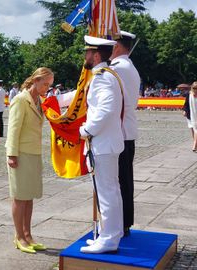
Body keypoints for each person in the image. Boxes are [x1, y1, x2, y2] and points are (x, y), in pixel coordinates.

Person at [78, 36, 124, 254]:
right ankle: (110, 234)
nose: (84, 56)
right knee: (110, 192)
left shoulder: (102, 78)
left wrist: (85, 130)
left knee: (107, 193)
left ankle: (109, 238)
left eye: (87, 52)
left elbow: (104, 110)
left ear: (95, 55)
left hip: (103, 144)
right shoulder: (106, 75)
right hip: (107, 143)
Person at [6, 67, 53, 254]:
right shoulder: (20, 99)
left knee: (30, 195)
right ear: (36, 80)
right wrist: (11, 154)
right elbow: (13, 128)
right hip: (20, 153)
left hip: (33, 152)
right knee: (20, 196)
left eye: (49, 85)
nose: (47, 88)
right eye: (45, 84)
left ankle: (28, 234)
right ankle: (19, 237)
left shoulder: (39, 101)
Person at [111, 30, 141, 236]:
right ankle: (124, 223)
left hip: (118, 132)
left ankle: (119, 224)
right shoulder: (129, 67)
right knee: (125, 180)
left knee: (117, 182)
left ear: (117, 46)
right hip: (126, 131)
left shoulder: (116, 68)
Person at [183, 82, 197, 152]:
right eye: (194, 88)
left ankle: (194, 145)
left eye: (196, 88)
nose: (195, 89)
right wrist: (185, 111)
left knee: (196, 130)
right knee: (192, 130)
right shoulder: (189, 94)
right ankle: (195, 143)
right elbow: (186, 104)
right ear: (192, 88)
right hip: (190, 115)